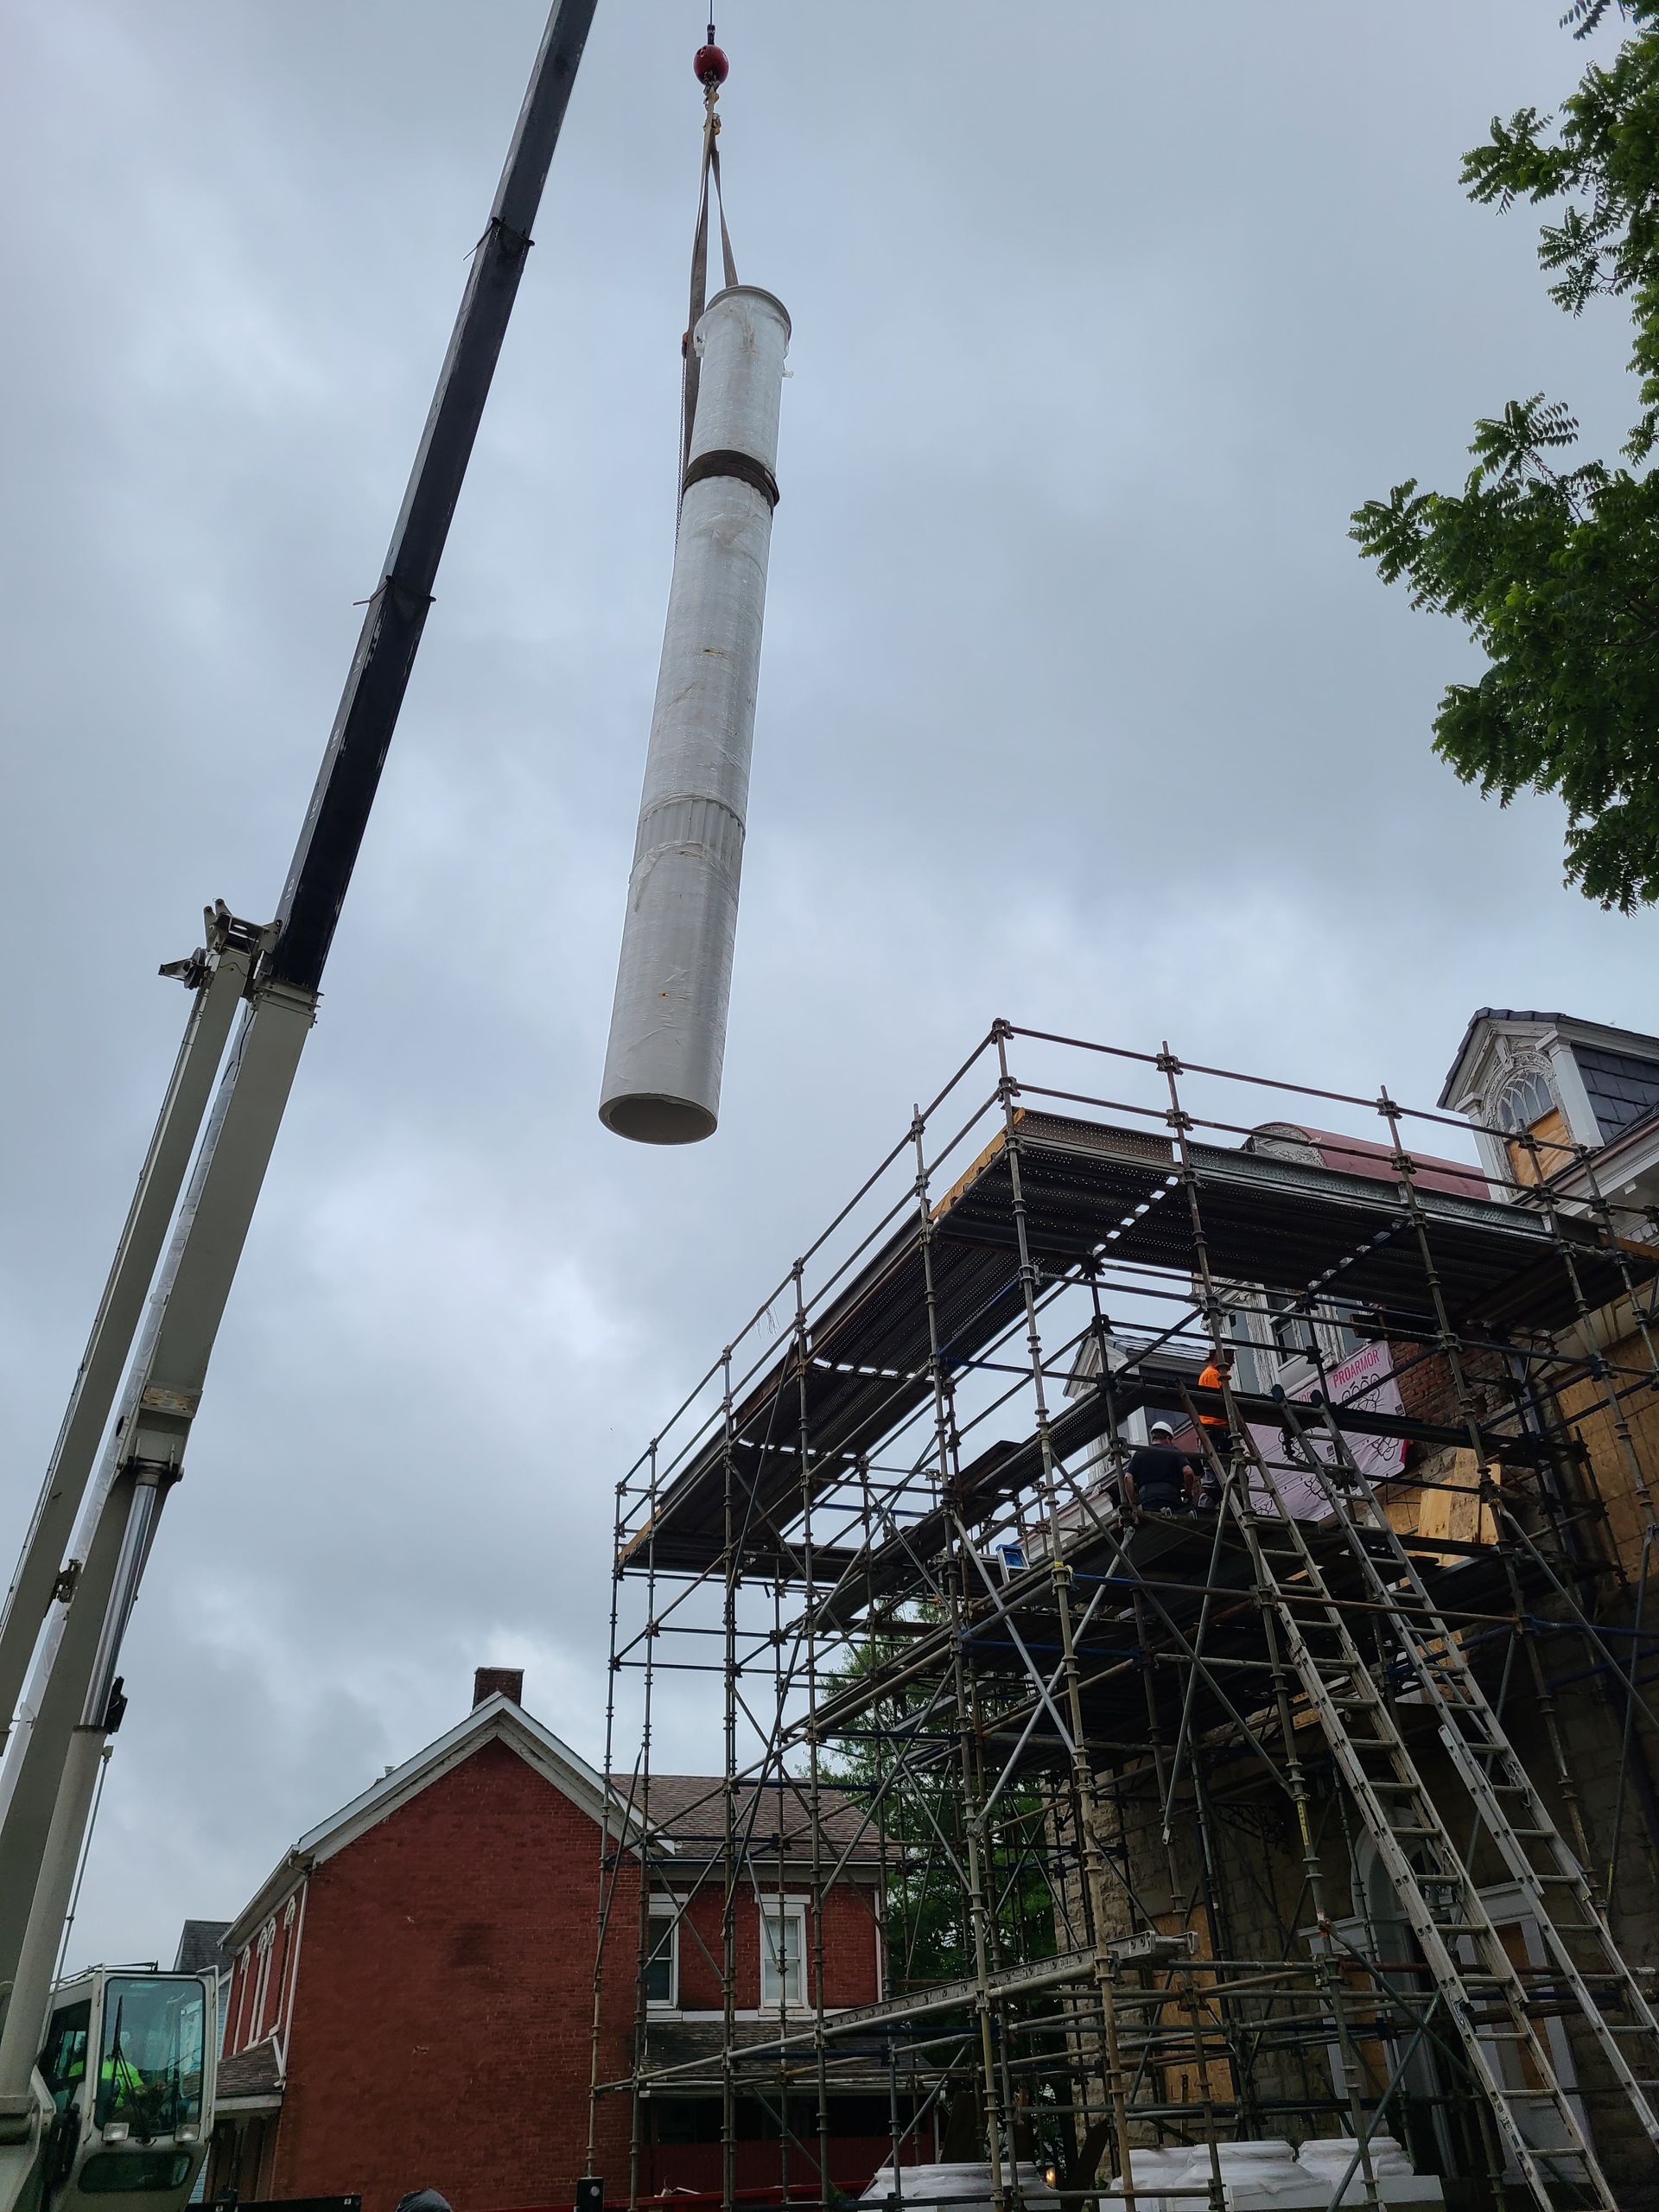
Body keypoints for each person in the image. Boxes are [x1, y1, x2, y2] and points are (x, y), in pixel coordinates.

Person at [1123, 1421, 1199, 1513]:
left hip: (1147, 1501)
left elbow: (1127, 1478)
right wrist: (1188, 1494)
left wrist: (1133, 1503)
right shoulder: (1173, 1451)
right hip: (1171, 1499)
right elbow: (1188, 1472)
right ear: (1168, 1438)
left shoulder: (1139, 1454)